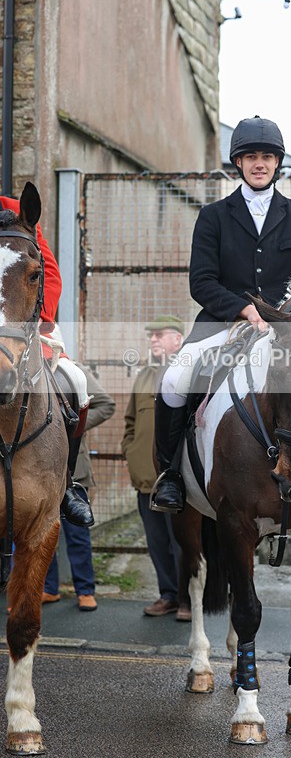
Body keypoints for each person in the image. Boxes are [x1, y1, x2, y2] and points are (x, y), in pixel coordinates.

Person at [151, 116, 291, 513]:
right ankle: (169, 474)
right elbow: (201, 282)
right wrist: (243, 308)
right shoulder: (213, 216)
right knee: (174, 379)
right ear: (238, 162)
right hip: (226, 322)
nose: (259, 163)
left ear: (277, 163)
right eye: (251, 156)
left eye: (267, 157)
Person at [0, 191, 93, 527]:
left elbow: (48, 273)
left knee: (76, 383)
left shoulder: (15, 212)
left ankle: (67, 484)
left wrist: (37, 319)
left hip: (23, 323)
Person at [122, 315, 191, 620]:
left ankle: (189, 599)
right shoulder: (144, 375)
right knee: (158, 543)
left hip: (179, 481)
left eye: (159, 335)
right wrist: (131, 451)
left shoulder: (190, 373)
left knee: (183, 543)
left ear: (178, 339)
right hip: (146, 480)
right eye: (150, 336)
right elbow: (130, 421)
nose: (152, 340)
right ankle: (169, 595)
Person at [43, 362, 115, 611]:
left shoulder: (72, 369)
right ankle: (47, 588)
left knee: (77, 533)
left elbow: (106, 405)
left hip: (74, 470)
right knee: (40, 533)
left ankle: (85, 590)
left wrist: (72, 425)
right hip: (37, 470)